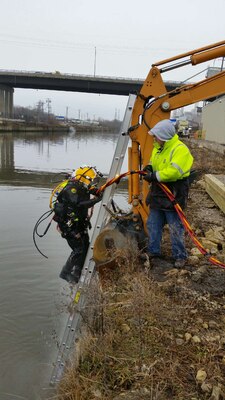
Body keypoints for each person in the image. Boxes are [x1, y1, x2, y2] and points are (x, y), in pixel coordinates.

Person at [143, 119, 194, 268]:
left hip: (174, 193)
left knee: (175, 227)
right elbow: (154, 162)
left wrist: (154, 176)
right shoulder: (158, 147)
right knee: (153, 224)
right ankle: (154, 251)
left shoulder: (180, 149)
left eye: (156, 136)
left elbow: (174, 172)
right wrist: (149, 168)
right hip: (158, 193)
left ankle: (180, 256)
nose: (154, 139)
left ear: (164, 136)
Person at [53, 165, 103, 283]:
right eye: (91, 180)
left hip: (79, 224)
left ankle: (77, 271)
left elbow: (90, 190)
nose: (93, 183)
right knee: (79, 249)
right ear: (84, 178)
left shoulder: (81, 186)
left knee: (85, 246)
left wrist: (99, 192)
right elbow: (79, 204)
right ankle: (65, 273)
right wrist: (96, 200)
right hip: (69, 227)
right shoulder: (71, 189)